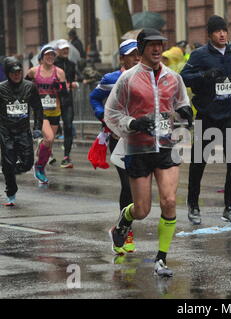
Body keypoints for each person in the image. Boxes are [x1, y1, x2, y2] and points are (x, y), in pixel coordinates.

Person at [105, 28, 192, 277]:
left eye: (160, 44)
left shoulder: (173, 78)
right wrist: (133, 123)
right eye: (152, 45)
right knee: (142, 210)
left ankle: (161, 259)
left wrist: (186, 111)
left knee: (170, 201)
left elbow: (182, 102)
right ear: (141, 49)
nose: (157, 49)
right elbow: (112, 113)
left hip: (166, 146)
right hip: (138, 148)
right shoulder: (128, 79)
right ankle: (123, 222)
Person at [181, 15, 231, 225]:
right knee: (199, 161)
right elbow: (183, 77)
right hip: (207, 115)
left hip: (230, 114)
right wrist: (204, 75)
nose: (222, 34)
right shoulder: (199, 55)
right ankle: (193, 205)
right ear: (209, 34)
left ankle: (230, 207)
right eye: (218, 31)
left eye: (225, 30)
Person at [90, 39, 140, 254]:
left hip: (141, 139)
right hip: (118, 138)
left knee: (139, 189)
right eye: (132, 54)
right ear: (122, 58)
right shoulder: (111, 79)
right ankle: (125, 231)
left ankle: (123, 228)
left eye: (139, 53)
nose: (137, 58)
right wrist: (102, 115)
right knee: (128, 186)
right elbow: (94, 98)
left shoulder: (147, 77)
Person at [0, 57, 43, 206]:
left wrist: (37, 127)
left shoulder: (30, 87)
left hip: (23, 131)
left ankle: (8, 169)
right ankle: (11, 191)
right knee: (8, 161)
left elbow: (38, 108)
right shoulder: (1, 89)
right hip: (6, 131)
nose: (17, 75)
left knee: (27, 163)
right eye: (13, 73)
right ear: (8, 73)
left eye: (19, 72)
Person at [26, 46, 69, 184]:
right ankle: (38, 167)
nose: (50, 57)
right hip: (40, 112)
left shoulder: (59, 72)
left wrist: (60, 87)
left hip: (55, 111)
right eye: (47, 55)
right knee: (49, 138)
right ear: (42, 57)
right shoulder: (34, 71)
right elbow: (24, 86)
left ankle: (41, 168)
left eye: (52, 55)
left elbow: (65, 94)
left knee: (49, 144)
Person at [54, 40, 79, 168]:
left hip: (67, 101)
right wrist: (64, 85)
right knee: (53, 130)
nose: (65, 51)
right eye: (63, 49)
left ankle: (66, 156)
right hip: (54, 101)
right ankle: (47, 154)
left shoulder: (72, 64)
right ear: (57, 50)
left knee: (68, 127)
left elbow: (74, 79)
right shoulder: (52, 65)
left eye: (67, 49)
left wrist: (74, 83)